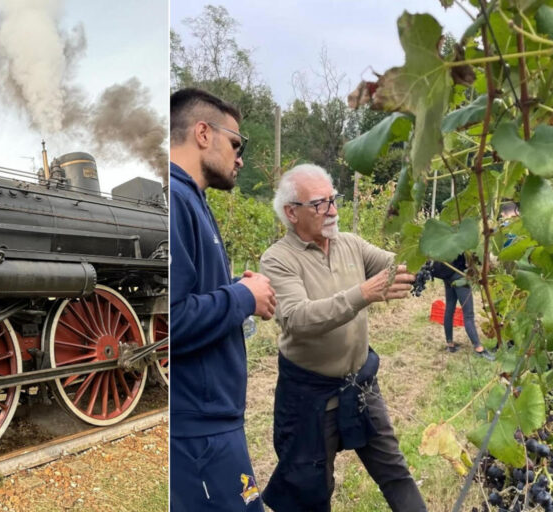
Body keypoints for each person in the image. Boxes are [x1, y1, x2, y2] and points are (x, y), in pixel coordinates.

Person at [260, 164, 426, 512]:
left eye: (333, 200)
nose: (333, 210)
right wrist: (362, 293)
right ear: (292, 212)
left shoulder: (350, 244)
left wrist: (439, 251)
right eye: (320, 204)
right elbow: (297, 318)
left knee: (394, 471)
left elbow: (399, 265)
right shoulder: (278, 259)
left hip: (360, 386)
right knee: (311, 490)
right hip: (309, 397)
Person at [169, 87, 276, 512]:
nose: (240, 156)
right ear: (201, 133)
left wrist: (239, 291)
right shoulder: (176, 200)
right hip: (200, 430)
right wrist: (241, 296)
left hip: (213, 421)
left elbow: (193, 293)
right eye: (235, 143)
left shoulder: (193, 199)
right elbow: (169, 324)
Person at [431, 255, 494, 360]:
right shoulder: (463, 240)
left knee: (449, 309)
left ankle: (450, 344)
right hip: (459, 275)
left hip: (447, 275)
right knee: (468, 314)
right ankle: (479, 348)